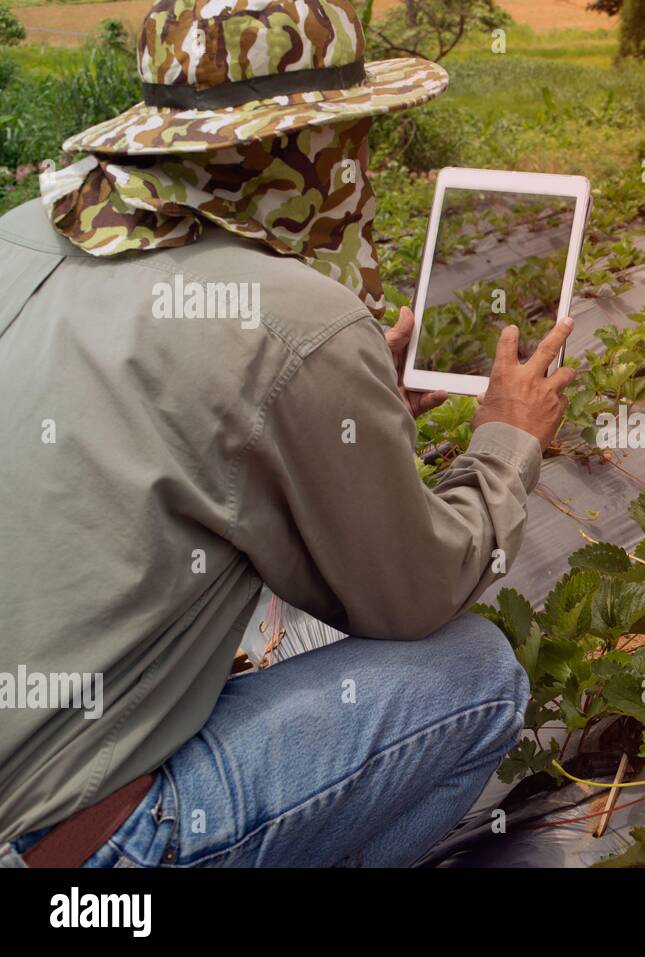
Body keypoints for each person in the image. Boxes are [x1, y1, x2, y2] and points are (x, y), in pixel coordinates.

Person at [0, 0, 573, 868]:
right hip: (81, 852)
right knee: (478, 676)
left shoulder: (18, 239)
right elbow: (413, 593)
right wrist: (504, 442)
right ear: (302, 151)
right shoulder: (293, 320)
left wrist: (338, 414)